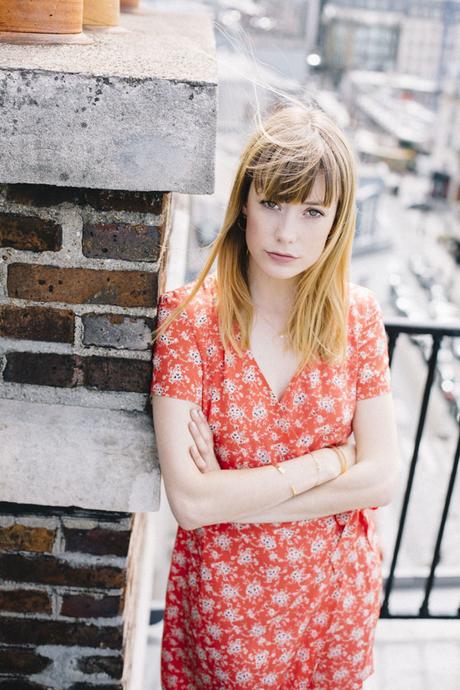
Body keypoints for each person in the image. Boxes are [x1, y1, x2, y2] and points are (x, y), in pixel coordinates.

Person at [150, 102, 400, 690]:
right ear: (243, 202)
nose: (288, 233)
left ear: (337, 222)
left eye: (313, 211)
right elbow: (191, 503)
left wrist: (235, 500)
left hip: (335, 597)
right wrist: (332, 462)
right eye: (273, 203)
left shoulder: (357, 318)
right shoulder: (190, 322)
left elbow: (382, 478)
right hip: (228, 602)